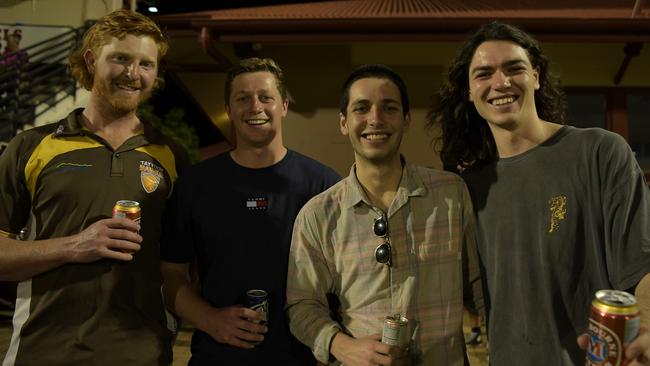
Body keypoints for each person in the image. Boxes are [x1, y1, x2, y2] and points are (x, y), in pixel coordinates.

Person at [428, 21, 650, 365]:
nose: (500, 83)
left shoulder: (600, 152)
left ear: (536, 76)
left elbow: (641, 265)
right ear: (469, 92)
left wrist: (646, 327)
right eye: (483, 73)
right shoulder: (468, 187)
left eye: (514, 68)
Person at [0, 9, 189, 365]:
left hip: (142, 355)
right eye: (121, 58)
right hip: (42, 353)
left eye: (146, 64)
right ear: (91, 60)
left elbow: (178, 267)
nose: (133, 74)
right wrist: (74, 246)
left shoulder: (171, 156)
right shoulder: (31, 147)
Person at [286, 64, 482, 366]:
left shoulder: (450, 194)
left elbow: (479, 285)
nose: (375, 119)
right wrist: (341, 346)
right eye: (361, 108)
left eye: (388, 108)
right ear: (343, 122)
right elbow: (302, 305)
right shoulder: (319, 214)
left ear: (406, 120)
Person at [159, 57, 341, 366]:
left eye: (265, 97)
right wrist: (210, 319)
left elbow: (345, 278)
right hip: (217, 357)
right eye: (242, 98)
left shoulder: (324, 185)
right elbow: (171, 275)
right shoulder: (196, 184)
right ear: (228, 110)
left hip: (302, 358)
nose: (254, 106)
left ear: (283, 105)